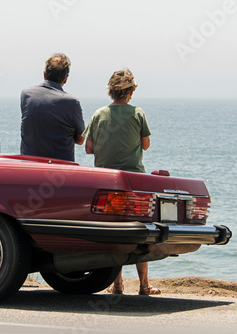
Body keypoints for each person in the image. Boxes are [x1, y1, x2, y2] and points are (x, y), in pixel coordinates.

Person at [82, 68, 160, 295]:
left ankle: (117, 284)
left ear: (111, 92)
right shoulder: (137, 113)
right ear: (131, 92)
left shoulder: (98, 114)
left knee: (114, 234)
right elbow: (145, 145)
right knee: (139, 234)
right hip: (133, 180)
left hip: (105, 183)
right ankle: (144, 285)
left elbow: (88, 149)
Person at [20, 53, 85, 162]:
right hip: (60, 170)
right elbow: (80, 140)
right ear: (66, 78)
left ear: (44, 74)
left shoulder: (26, 95)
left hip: (30, 167)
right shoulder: (72, 102)